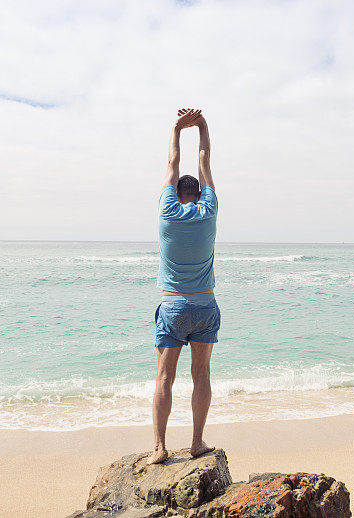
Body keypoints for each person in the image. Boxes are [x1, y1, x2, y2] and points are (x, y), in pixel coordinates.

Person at [149, 108, 219, 464]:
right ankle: (196, 442)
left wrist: (177, 127)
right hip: (204, 306)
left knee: (165, 378)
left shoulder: (166, 210)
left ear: (176, 193)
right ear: (199, 192)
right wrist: (202, 126)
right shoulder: (209, 209)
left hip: (173, 305)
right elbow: (203, 162)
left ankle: (160, 447)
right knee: (201, 374)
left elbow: (172, 161)